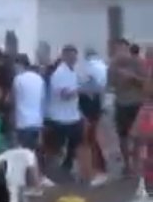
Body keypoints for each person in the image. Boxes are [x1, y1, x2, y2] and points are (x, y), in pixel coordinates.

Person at [109, 39, 147, 175]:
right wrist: (118, 78)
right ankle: (127, 164)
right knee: (122, 135)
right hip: (121, 103)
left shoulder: (137, 62)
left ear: (128, 49)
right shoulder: (113, 66)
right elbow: (110, 84)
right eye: (117, 49)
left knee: (138, 136)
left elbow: (146, 83)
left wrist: (132, 77)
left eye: (122, 49)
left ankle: (136, 163)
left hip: (137, 103)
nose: (120, 52)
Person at [46, 45, 82, 176]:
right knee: (56, 146)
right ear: (64, 56)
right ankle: (50, 169)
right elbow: (63, 95)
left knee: (75, 142)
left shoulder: (73, 72)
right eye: (71, 56)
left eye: (75, 56)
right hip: (60, 117)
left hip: (73, 116)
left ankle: (67, 165)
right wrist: (81, 90)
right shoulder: (59, 74)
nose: (74, 59)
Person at [79, 47, 108, 186]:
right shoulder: (103, 66)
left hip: (89, 108)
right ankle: (97, 169)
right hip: (98, 107)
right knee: (92, 139)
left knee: (89, 141)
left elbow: (89, 87)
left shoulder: (88, 68)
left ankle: (96, 170)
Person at [12, 56, 45, 152]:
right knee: (32, 151)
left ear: (20, 65)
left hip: (22, 121)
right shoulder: (39, 78)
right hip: (37, 122)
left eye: (15, 66)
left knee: (23, 152)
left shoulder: (18, 79)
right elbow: (42, 100)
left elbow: (13, 99)